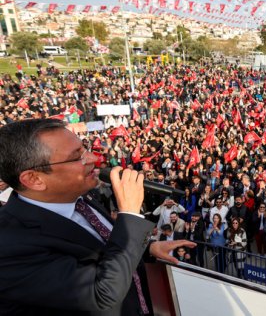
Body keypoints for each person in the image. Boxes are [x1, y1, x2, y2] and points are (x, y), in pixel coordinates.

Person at [0, 119, 194, 316]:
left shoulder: (78, 196)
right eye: (77, 157)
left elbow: (105, 248)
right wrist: (130, 214)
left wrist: (147, 248)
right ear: (34, 179)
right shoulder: (9, 246)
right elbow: (102, 294)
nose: (93, 158)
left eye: (84, 149)